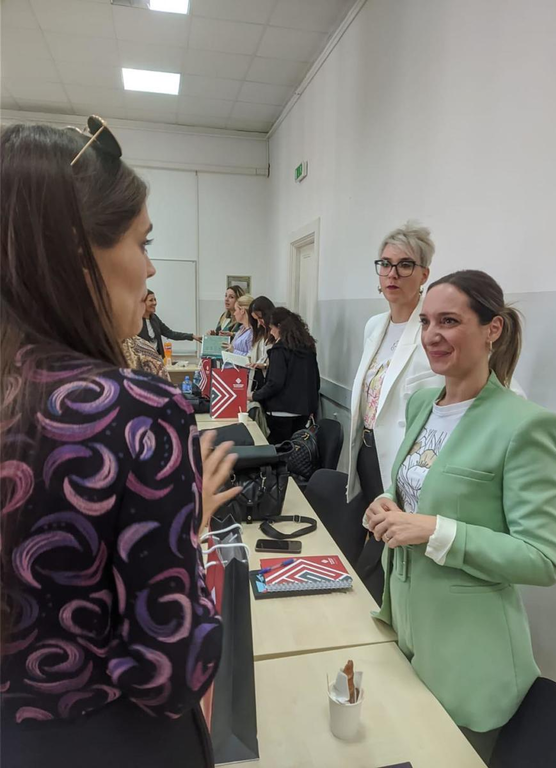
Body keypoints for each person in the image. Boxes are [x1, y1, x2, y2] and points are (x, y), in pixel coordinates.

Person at [0, 120, 240, 768]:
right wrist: (185, 534)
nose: (151, 266)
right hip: (113, 741)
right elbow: (172, 671)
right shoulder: (137, 411)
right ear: (81, 256)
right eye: (143, 241)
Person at [365, 270, 556, 762]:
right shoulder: (422, 403)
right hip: (404, 629)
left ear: (492, 329)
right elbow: (417, 486)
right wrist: (387, 503)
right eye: (426, 321)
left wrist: (435, 530)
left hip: (469, 657)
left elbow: (543, 558)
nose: (432, 335)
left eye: (449, 321)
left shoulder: (524, 425)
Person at [347, 222, 442, 599]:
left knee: (397, 550)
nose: (392, 274)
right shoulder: (375, 325)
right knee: (375, 536)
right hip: (368, 452)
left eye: (405, 265)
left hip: (406, 460)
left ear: (424, 274)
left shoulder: (432, 330)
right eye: (385, 264)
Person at [249, 308, 320, 444]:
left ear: (280, 327)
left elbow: (275, 383)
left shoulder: (279, 350)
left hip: (280, 411)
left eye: (272, 328)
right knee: (296, 449)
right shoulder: (308, 348)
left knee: (279, 449)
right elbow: (315, 381)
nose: (271, 332)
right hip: (303, 410)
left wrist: (254, 395)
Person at [138, 289, 195, 358]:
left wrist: (191, 336)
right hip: (141, 360)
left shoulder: (155, 318)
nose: (154, 303)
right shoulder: (135, 321)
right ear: (142, 303)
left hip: (157, 359)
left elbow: (170, 333)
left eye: (155, 300)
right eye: (151, 300)